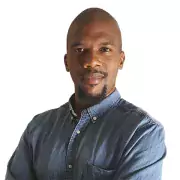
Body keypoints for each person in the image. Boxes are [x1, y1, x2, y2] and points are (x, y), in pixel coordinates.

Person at [5, 7, 166, 180]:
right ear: (67, 62)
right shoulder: (37, 129)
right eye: (80, 50)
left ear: (121, 59)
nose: (91, 61)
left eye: (104, 49)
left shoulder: (142, 132)